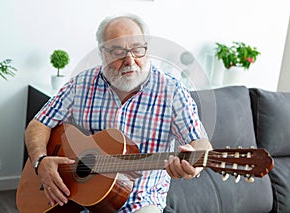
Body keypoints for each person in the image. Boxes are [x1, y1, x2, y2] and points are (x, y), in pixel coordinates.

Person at [24, 13, 212, 213]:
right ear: (102, 52)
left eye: (137, 50)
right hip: (78, 197)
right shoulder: (81, 84)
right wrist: (39, 161)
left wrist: (194, 164)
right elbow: (38, 124)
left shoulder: (172, 91)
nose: (130, 60)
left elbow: (200, 143)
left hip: (141, 202)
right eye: (118, 51)